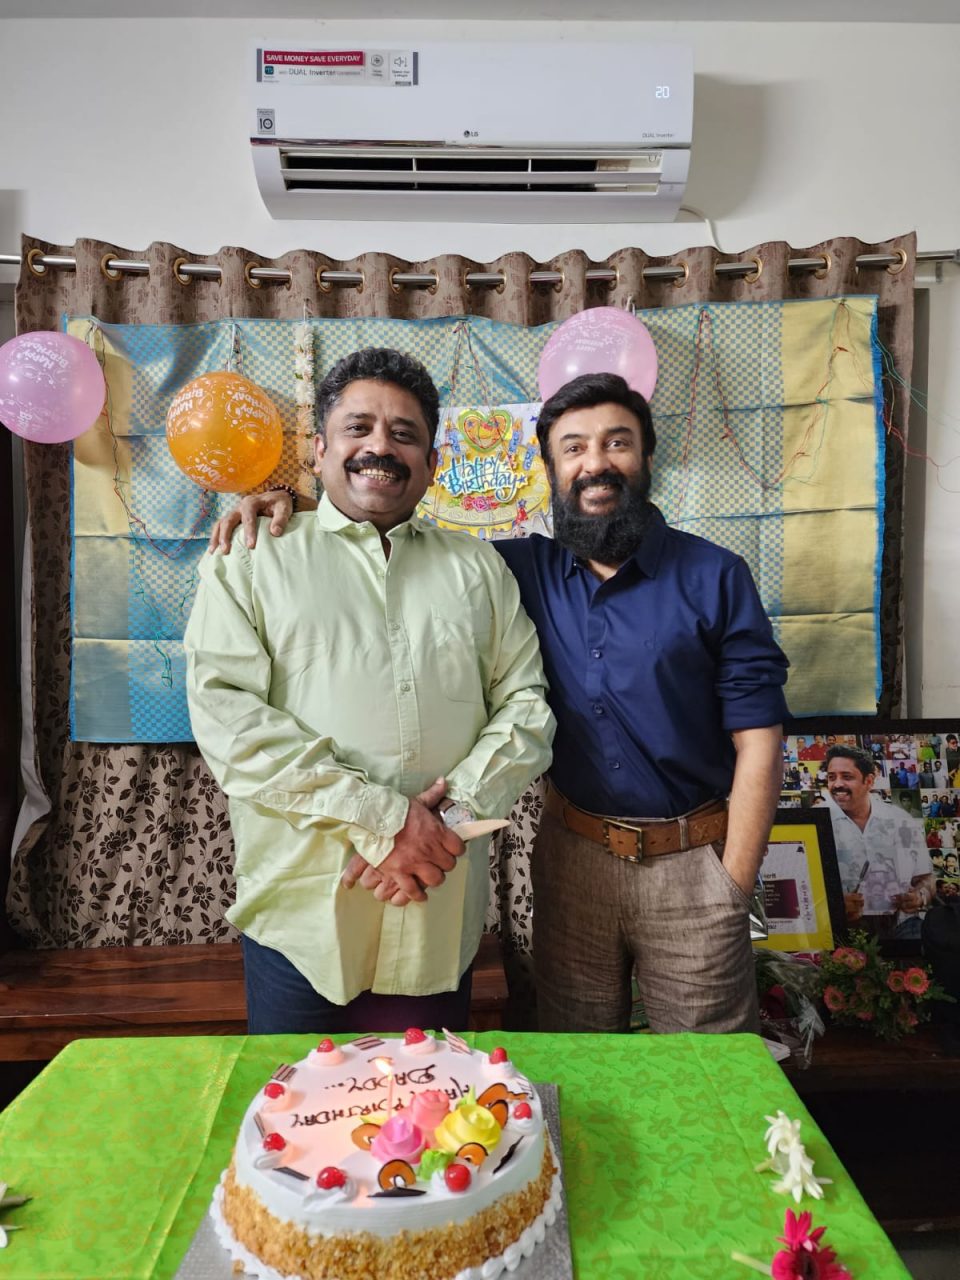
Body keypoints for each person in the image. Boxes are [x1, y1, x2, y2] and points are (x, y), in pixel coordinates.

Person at [210, 370, 789, 1036]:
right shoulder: (510, 567)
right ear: (550, 470)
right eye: (573, 447)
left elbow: (753, 739)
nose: (595, 463)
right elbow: (367, 519)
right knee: (570, 1061)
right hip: (532, 872)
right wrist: (288, 500)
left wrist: (730, 887)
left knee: (708, 1072)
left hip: (678, 867)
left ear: (647, 456)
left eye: (617, 443)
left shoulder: (702, 575)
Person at [185, 348, 554, 1035]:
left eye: (404, 433)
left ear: (432, 462)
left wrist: (444, 822)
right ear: (320, 450)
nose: (380, 447)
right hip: (304, 923)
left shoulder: (479, 568)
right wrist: (385, 820)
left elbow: (526, 705)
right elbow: (230, 722)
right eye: (358, 428)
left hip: (434, 909)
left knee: (434, 1103)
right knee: (299, 1101)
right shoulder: (251, 559)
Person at [823, 745, 936, 941]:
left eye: (847, 777)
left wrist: (920, 896)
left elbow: (927, 878)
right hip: (839, 931)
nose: (837, 784)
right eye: (832, 777)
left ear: (869, 781)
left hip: (902, 926)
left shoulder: (901, 820)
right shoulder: (818, 822)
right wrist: (834, 905)